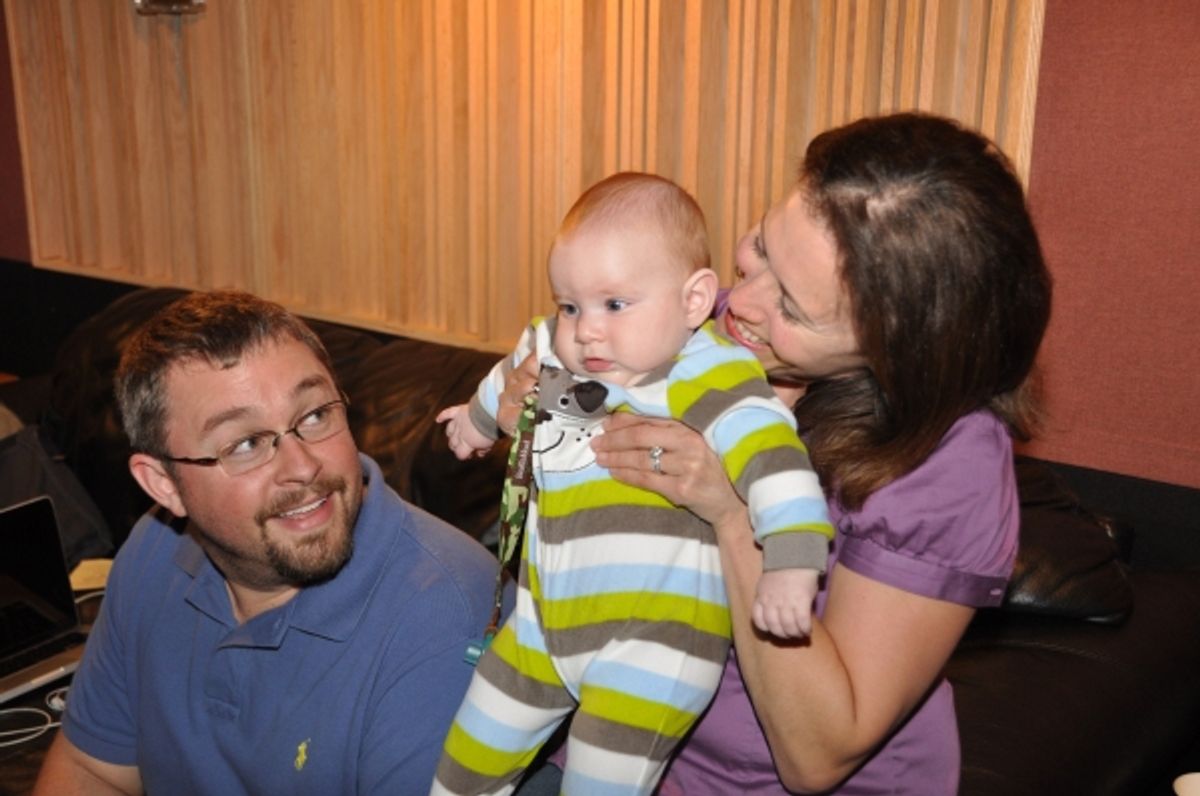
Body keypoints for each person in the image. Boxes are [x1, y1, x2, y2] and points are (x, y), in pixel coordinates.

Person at [511, 113, 1053, 794]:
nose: (742, 302)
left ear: (898, 347)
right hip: (609, 735)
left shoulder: (950, 464)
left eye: (793, 309)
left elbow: (817, 756)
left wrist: (732, 511)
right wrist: (537, 409)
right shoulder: (702, 321)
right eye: (763, 245)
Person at [432, 173, 833, 794]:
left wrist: (791, 558)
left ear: (694, 301)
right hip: (541, 624)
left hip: (653, 645)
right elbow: (509, 373)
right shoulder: (558, 350)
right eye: (570, 305)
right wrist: (478, 422)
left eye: (615, 304)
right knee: (463, 765)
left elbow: (774, 459)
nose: (587, 328)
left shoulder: (708, 371)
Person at [33, 290, 506, 796]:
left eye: (315, 415)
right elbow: (92, 771)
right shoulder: (154, 550)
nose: (303, 467)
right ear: (164, 485)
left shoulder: (448, 614)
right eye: (245, 444)